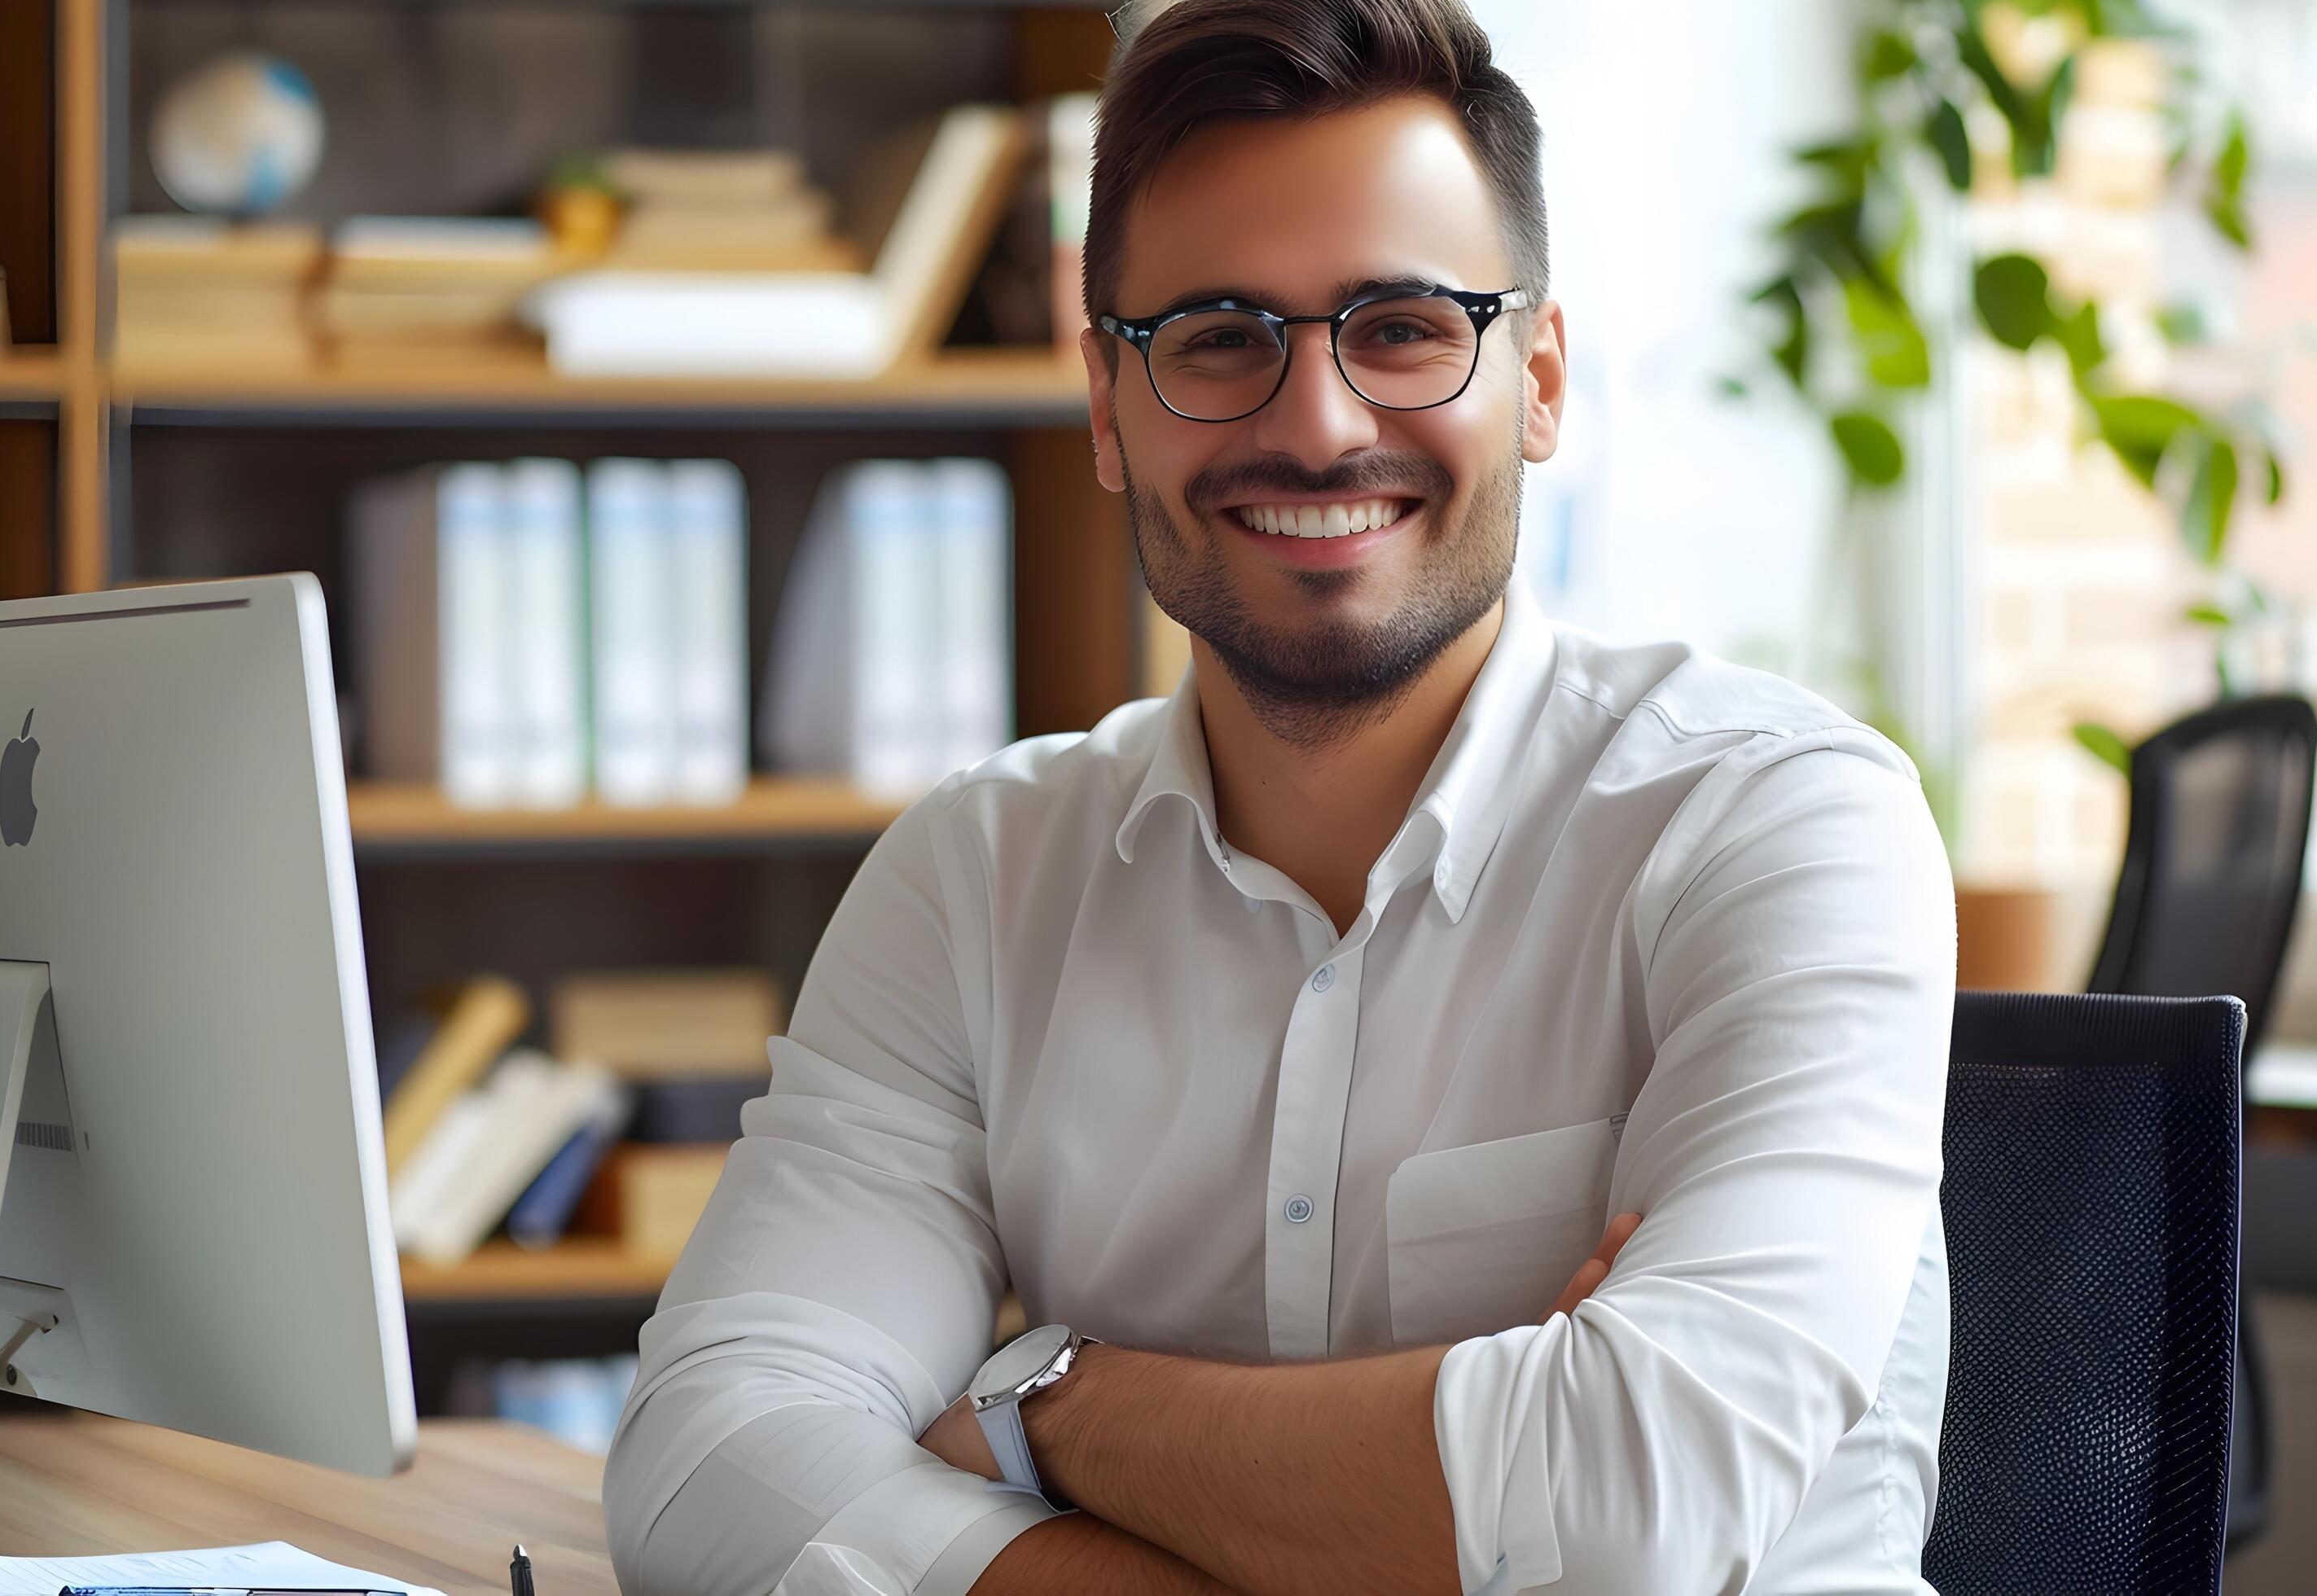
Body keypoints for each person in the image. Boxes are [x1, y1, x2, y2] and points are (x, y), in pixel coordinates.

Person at [603, 1, 1955, 1590]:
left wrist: (1050, 1396)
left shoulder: (1777, 822)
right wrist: (1458, 1467)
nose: (1316, 424)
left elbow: (1630, 1497)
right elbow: (706, 1461)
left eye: (1402, 325)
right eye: (1221, 338)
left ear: (1538, 380)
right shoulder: (977, 872)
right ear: (1108, 408)